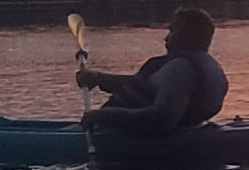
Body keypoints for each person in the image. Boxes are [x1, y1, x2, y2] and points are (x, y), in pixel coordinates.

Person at [77, 7, 229, 137]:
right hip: (190, 134)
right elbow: (147, 86)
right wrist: (99, 78)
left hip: (119, 137)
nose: (166, 38)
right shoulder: (207, 66)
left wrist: (102, 116)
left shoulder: (179, 70)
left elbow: (161, 120)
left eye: (173, 30)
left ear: (189, 35)